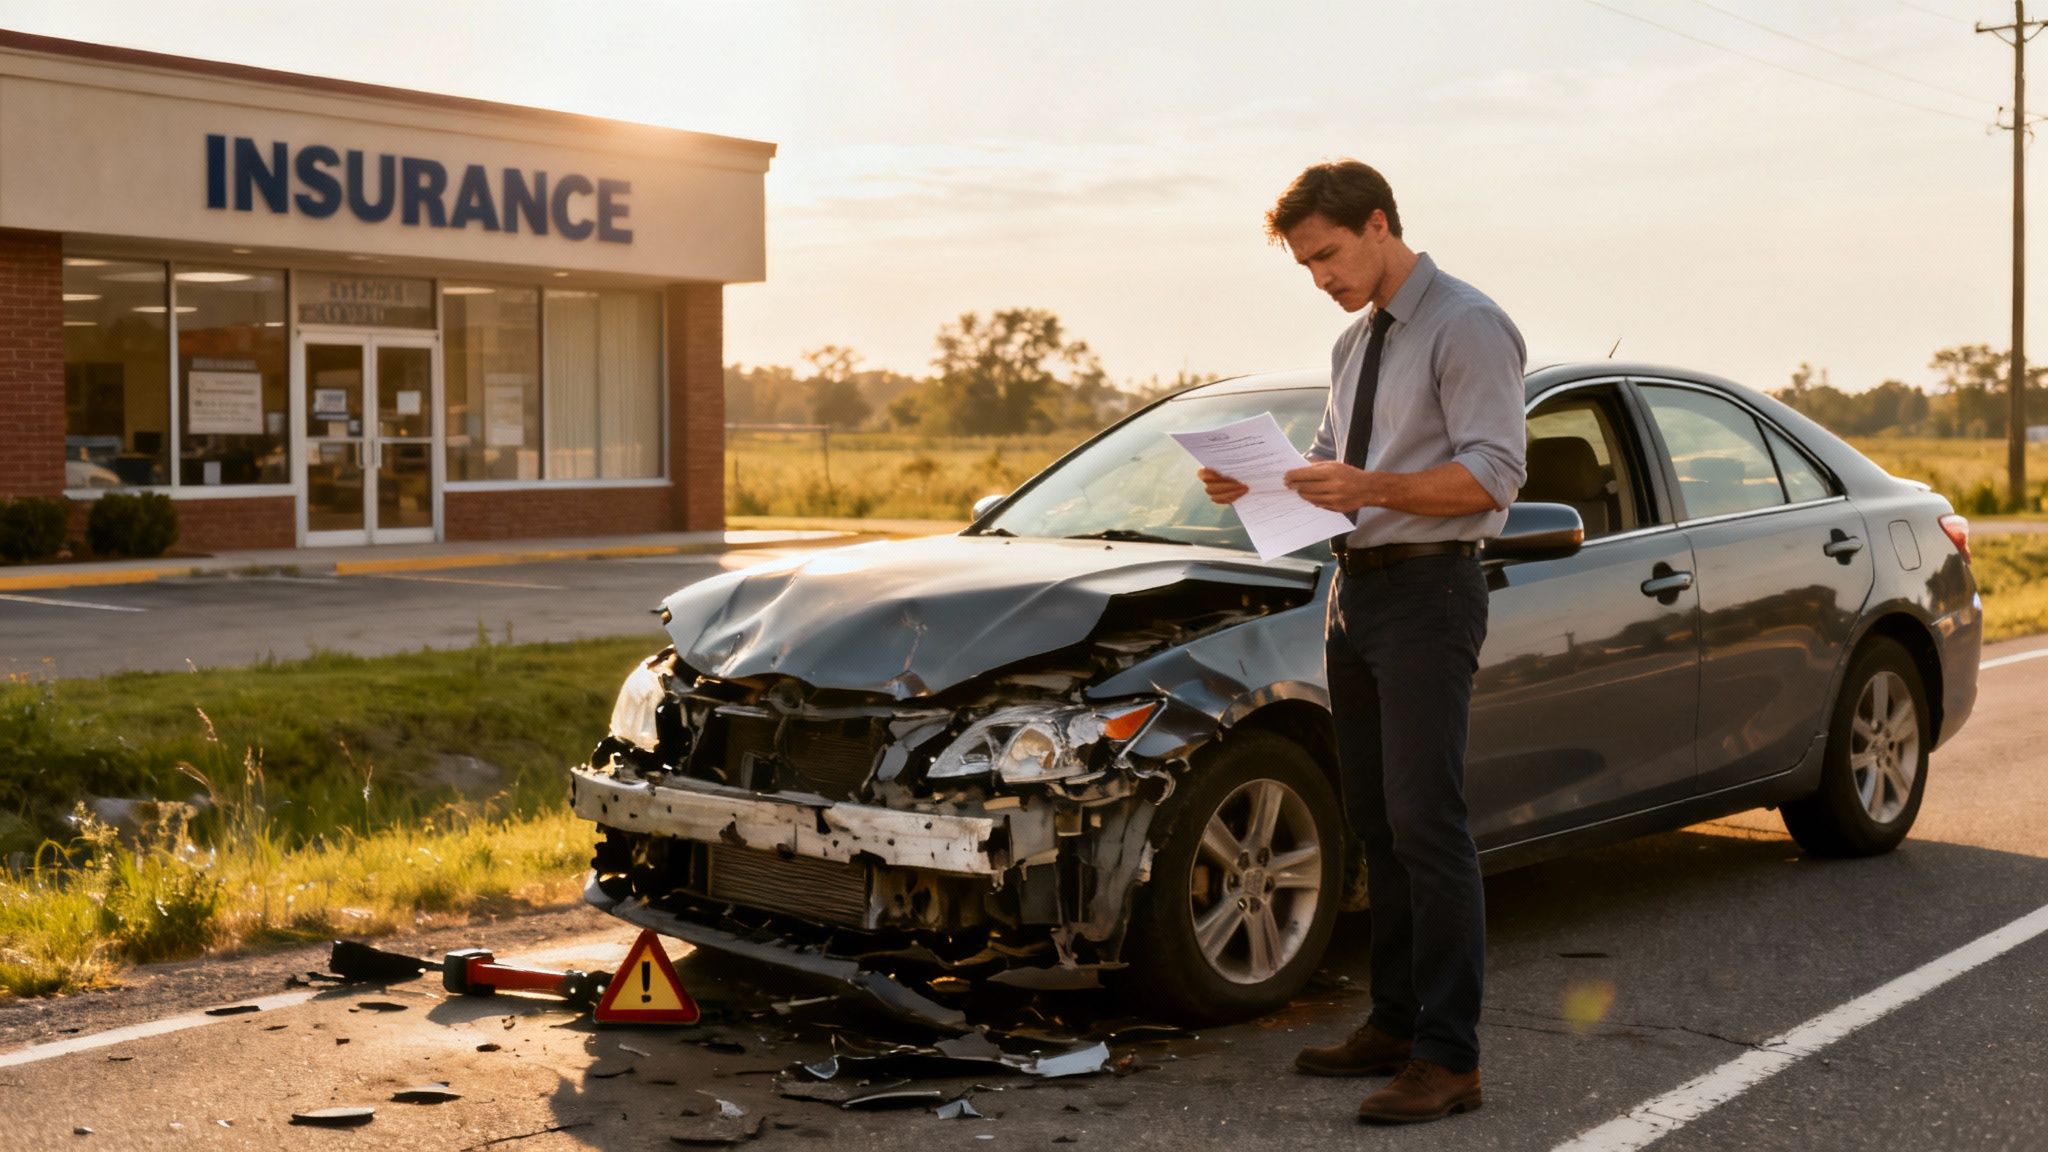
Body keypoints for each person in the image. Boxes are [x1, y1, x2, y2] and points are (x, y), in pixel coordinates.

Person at [1199, 160, 1526, 1124]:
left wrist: (1368, 488)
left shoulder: (1468, 323)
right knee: (1376, 822)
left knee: (1430, 823)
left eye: (1329, 255)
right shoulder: (1352, 344)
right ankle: (1392, 1023)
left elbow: (1494, 477)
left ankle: (1451, 1059)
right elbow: (1333, 469)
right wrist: (1260, 482)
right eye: (1305, 264)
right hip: (1356, 593)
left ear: (1380, 223)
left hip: (1432, 592)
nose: (1321, 277)